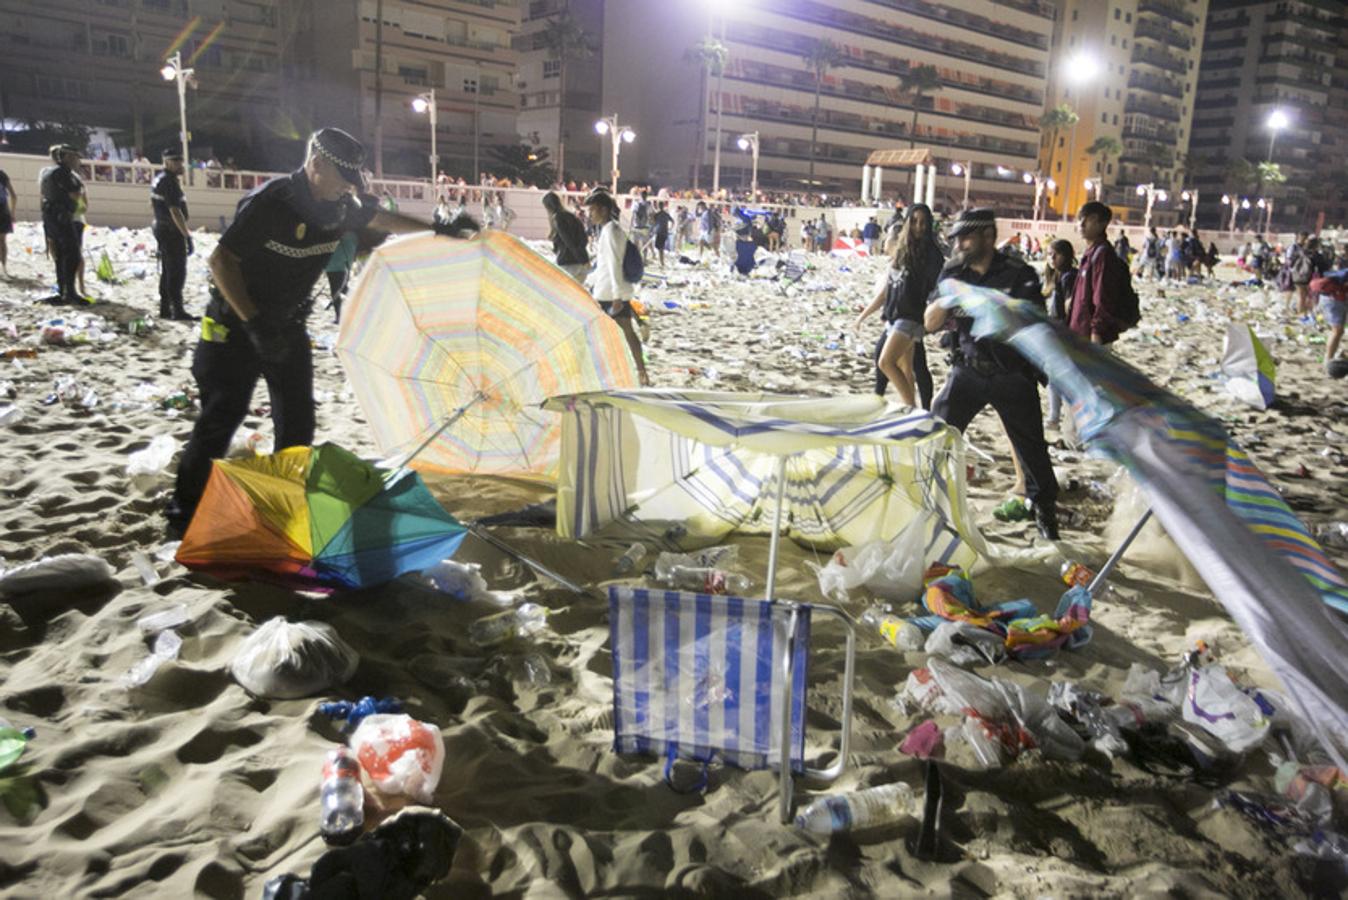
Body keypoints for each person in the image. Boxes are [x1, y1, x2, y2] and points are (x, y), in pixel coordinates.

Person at [166, 128, 472, 535]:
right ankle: (183, 513)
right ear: (317, 164)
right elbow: (222, 261)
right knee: (221, 418)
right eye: (342, 178)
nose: (348, 188)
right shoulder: (272, 202)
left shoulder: (340, 206)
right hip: (235, 327)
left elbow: (381, 217)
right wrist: (255, 324)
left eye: (353, 181)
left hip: (288, 325)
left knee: (297, 422)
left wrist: (438, 229)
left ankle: (284, 505)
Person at [922, 208, 1060, 540]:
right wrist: (949, 299)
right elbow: (929, 323)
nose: (960, 245)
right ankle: (926, 506)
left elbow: (1036, 326)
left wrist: (996, 308)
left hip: (1011, 376)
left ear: (988, 236)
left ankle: (1045, 515)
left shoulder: (1019, 274)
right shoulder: (954, 272)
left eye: (966, 238)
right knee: (935, 436)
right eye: (957, 239)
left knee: (1032, 451)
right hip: (967, 372)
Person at [854, 203, 942, 407]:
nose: (919, 227)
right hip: (893, 317)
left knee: (885, 361)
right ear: (907, 223)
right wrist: (863, 316)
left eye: (923, 223)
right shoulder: (902, 251)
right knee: (905, 369)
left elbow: (936, 290)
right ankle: (909, 409)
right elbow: (887, 290)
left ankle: (911, 409)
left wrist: (932, 320)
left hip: (911, 318)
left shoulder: (932, 255)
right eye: (915, 222)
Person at [584, 187, 650, 386]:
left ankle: (640, 372)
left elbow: (613, 263)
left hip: (611, 295)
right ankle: (638, 372)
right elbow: (604, 265)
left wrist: (616, 296)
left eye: (593, 210)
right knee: (622, 333)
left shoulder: (611, 231)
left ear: (603, 210)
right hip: (607, 291)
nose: (590, 214)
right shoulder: (608, 230)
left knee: (623, 333)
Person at [38, 144, 86, 305]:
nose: (77, 161)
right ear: (66, 157)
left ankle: (62, 289)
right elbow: (75, 194)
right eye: (75, 157)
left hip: (49, 216)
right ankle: (70, 292)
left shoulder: (47, 173)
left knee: (59, 255)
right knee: (72, 255)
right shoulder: (64, 173)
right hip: (62, 217)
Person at [151, 148, 195, 321]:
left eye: (181, 161)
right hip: (170, 230)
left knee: (168, 270)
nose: (181, 165)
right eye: (176, 162)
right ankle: (177, 309)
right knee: (177, 270)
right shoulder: (169, 182)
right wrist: (187, 235)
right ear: (167, 162)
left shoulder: (159, 179)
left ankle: (165, 308)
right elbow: (175, 211)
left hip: (162, 227)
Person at [1044, 239, 1078, 430]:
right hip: (1055, 333)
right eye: (1049, 254)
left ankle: (1056, 418)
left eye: (1056, 254)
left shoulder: (1068, 277)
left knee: (1059, 378)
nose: (1052, 258)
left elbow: (1069, 306)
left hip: (1062, 335)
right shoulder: (1057, 276)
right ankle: (1055, 417)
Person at [542, 190, 589, 283]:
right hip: (580, 266)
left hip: (567, 265)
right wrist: (584, 259)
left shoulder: (558, 218)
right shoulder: (572, 216)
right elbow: (583, 238)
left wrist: (581, 259)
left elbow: (568, 241)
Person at [0, 169, 14, 278]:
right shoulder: (2, 175)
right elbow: (13, 195)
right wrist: (12, 213)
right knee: (2, 242)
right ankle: (3, 267)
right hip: (3, 211)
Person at [651, 201, 673, 269]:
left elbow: (672, 221)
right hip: (661, 232)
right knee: (659, 247)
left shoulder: (660, 214)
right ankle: (661, 261)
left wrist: (670, 228)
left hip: (661, 232)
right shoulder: (661, 214)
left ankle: (662, 262)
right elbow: (672, 221)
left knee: (660, 248)